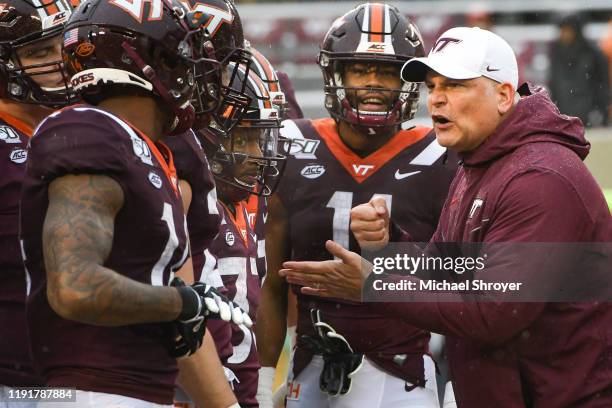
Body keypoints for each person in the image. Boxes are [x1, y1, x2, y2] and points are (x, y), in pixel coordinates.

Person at [279, 27, 612, 407]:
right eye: (433, 86)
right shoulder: (480, 162)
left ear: (503, 96)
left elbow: (496, 311)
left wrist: (375, 285)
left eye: (455, 86)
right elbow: (447, 268)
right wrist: (388, 242)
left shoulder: (540, 177)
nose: (436, 100)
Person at [20, 0, 249, 406]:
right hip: (95, 391)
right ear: (150, 62)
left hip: (137, 390)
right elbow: (76, 287)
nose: (198, 74)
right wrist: (183, 301)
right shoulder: (87, 130)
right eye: (188, 59)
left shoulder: (143, 148)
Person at [256, 3, 457, 407]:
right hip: (311, 367)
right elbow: (273, 284)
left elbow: (460, 281)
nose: (373, 84)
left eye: (386, 72)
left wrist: (456, 386)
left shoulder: (442, 155)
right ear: (335, 74)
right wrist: (260, 383)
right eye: (360, 70)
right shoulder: (292, 146)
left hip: (401, 374)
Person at [0, 0, 75, 402]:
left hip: (63, 370)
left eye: (61, 44)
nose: (59, 60)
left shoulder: (67, 129)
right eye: (38, 51)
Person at [200, 63, 285, 408]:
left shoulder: (247, 200)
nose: (260, 153)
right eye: (243, 137)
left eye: (260, 137)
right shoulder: (187, 199)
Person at [549, 13, 610, 127]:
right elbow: (554, 83)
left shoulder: (594, 54)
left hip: (589, 116)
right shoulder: (556, 53)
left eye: (567, 30)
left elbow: (602, 86)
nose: (564, 35)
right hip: (563, 114)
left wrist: (600, 112)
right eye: (562, 31)